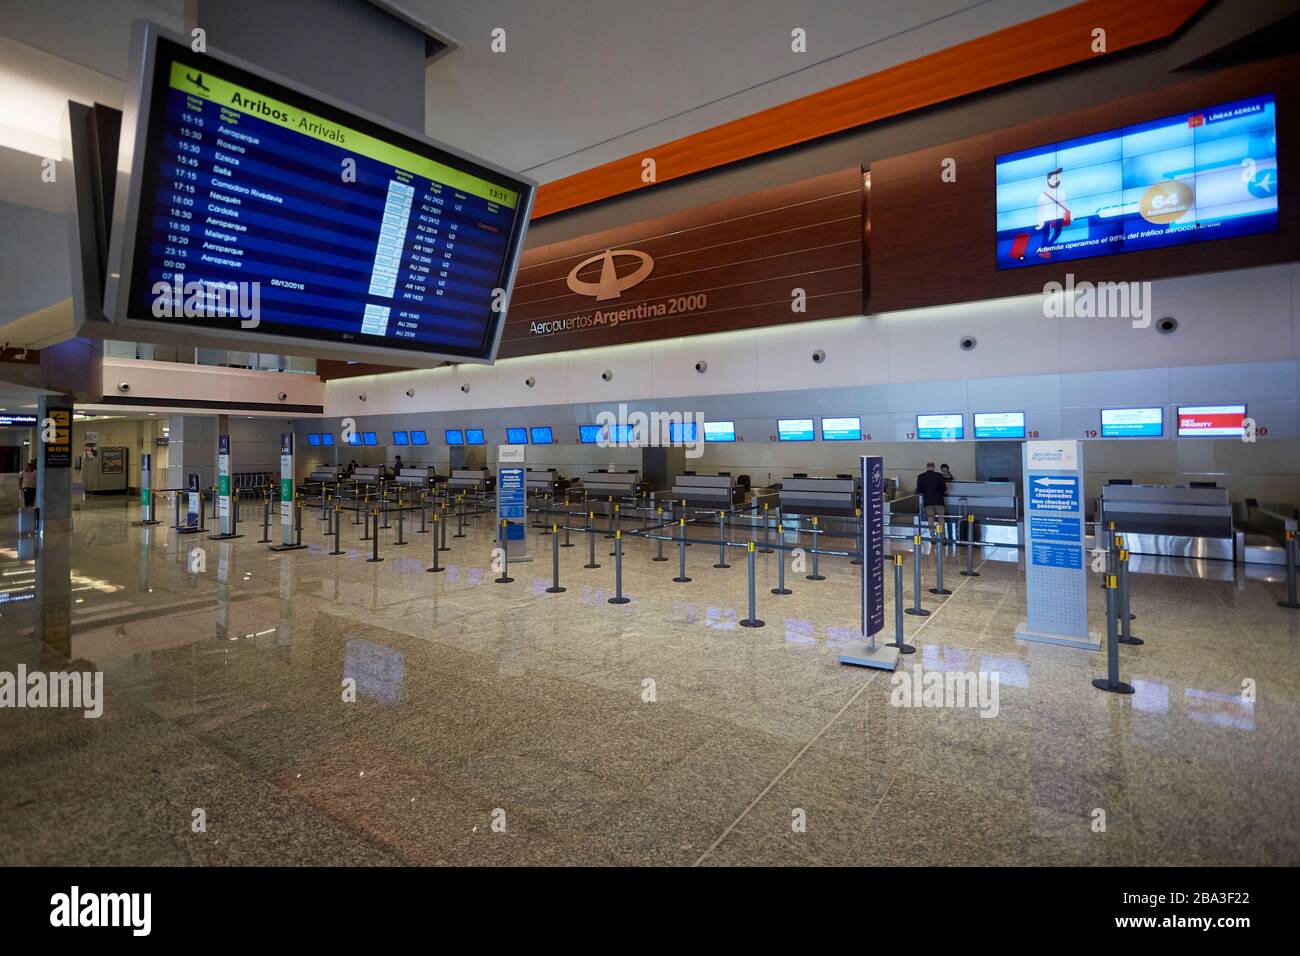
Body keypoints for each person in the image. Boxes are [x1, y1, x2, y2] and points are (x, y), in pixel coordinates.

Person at [1035, 167, 1070, 259]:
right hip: (1046, 217)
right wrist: (1040, 222)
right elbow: (1040, 209)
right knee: (1046, 234)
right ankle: (1043, 250)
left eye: (1058, 178)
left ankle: (1044, 249)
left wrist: (1069, 215)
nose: (1056, 181)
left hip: (1058, 216)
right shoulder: (1042, 195)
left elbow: (1064, 204)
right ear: (1048, 180)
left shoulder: (1062, 192)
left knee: (1057, 233)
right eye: (1054, 178)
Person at [915, 461, 946, 527]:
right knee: (941, 519)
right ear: (934, 467)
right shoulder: (939, 475)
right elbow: (944, 488)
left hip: (928, 502)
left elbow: (919, 490)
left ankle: (932, 533)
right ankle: (941, 533)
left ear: (927, 467)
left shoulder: (921, 476)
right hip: (939, 501)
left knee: (930, 519)